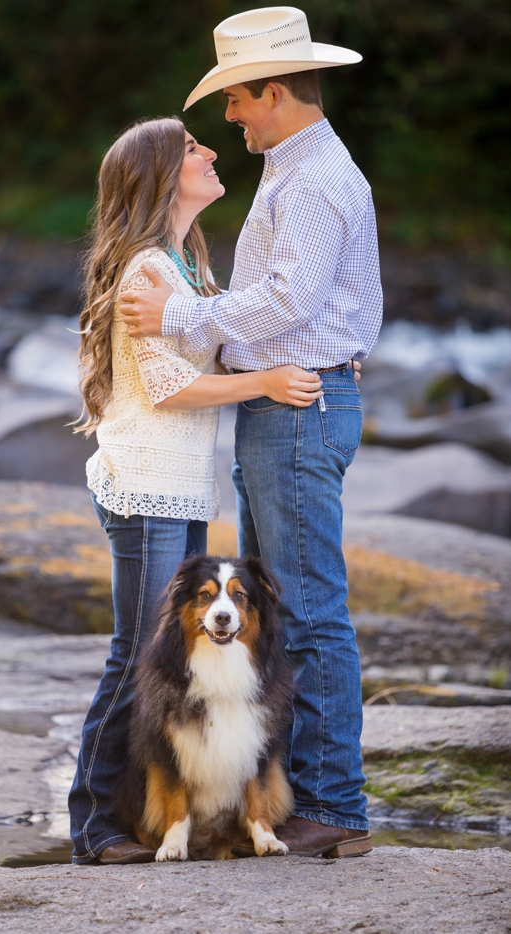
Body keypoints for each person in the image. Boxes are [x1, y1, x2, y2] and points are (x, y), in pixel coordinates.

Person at [120, 7, 381, 858]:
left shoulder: (310, 181)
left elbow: (287, 304)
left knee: (307, 611)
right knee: (281, 605)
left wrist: (180, 312)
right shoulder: (293, 167)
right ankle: (300, 796)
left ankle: (336, 806)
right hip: (288, 405)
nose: (228, 118)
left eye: (236, 99)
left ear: (273, 92)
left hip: (300, 408)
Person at [66, 115, 324, 865]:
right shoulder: (146, 266)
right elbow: (169, 383)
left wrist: (327, 356)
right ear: (157, 177)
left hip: (177, 490)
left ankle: (125, 816)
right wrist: (269, 383)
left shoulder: (187, 267)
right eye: (191, 149)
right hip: (143, 485)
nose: (210, 153)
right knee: (134, 656)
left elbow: (229, 332)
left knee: (143, 656)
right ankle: (92, 825)